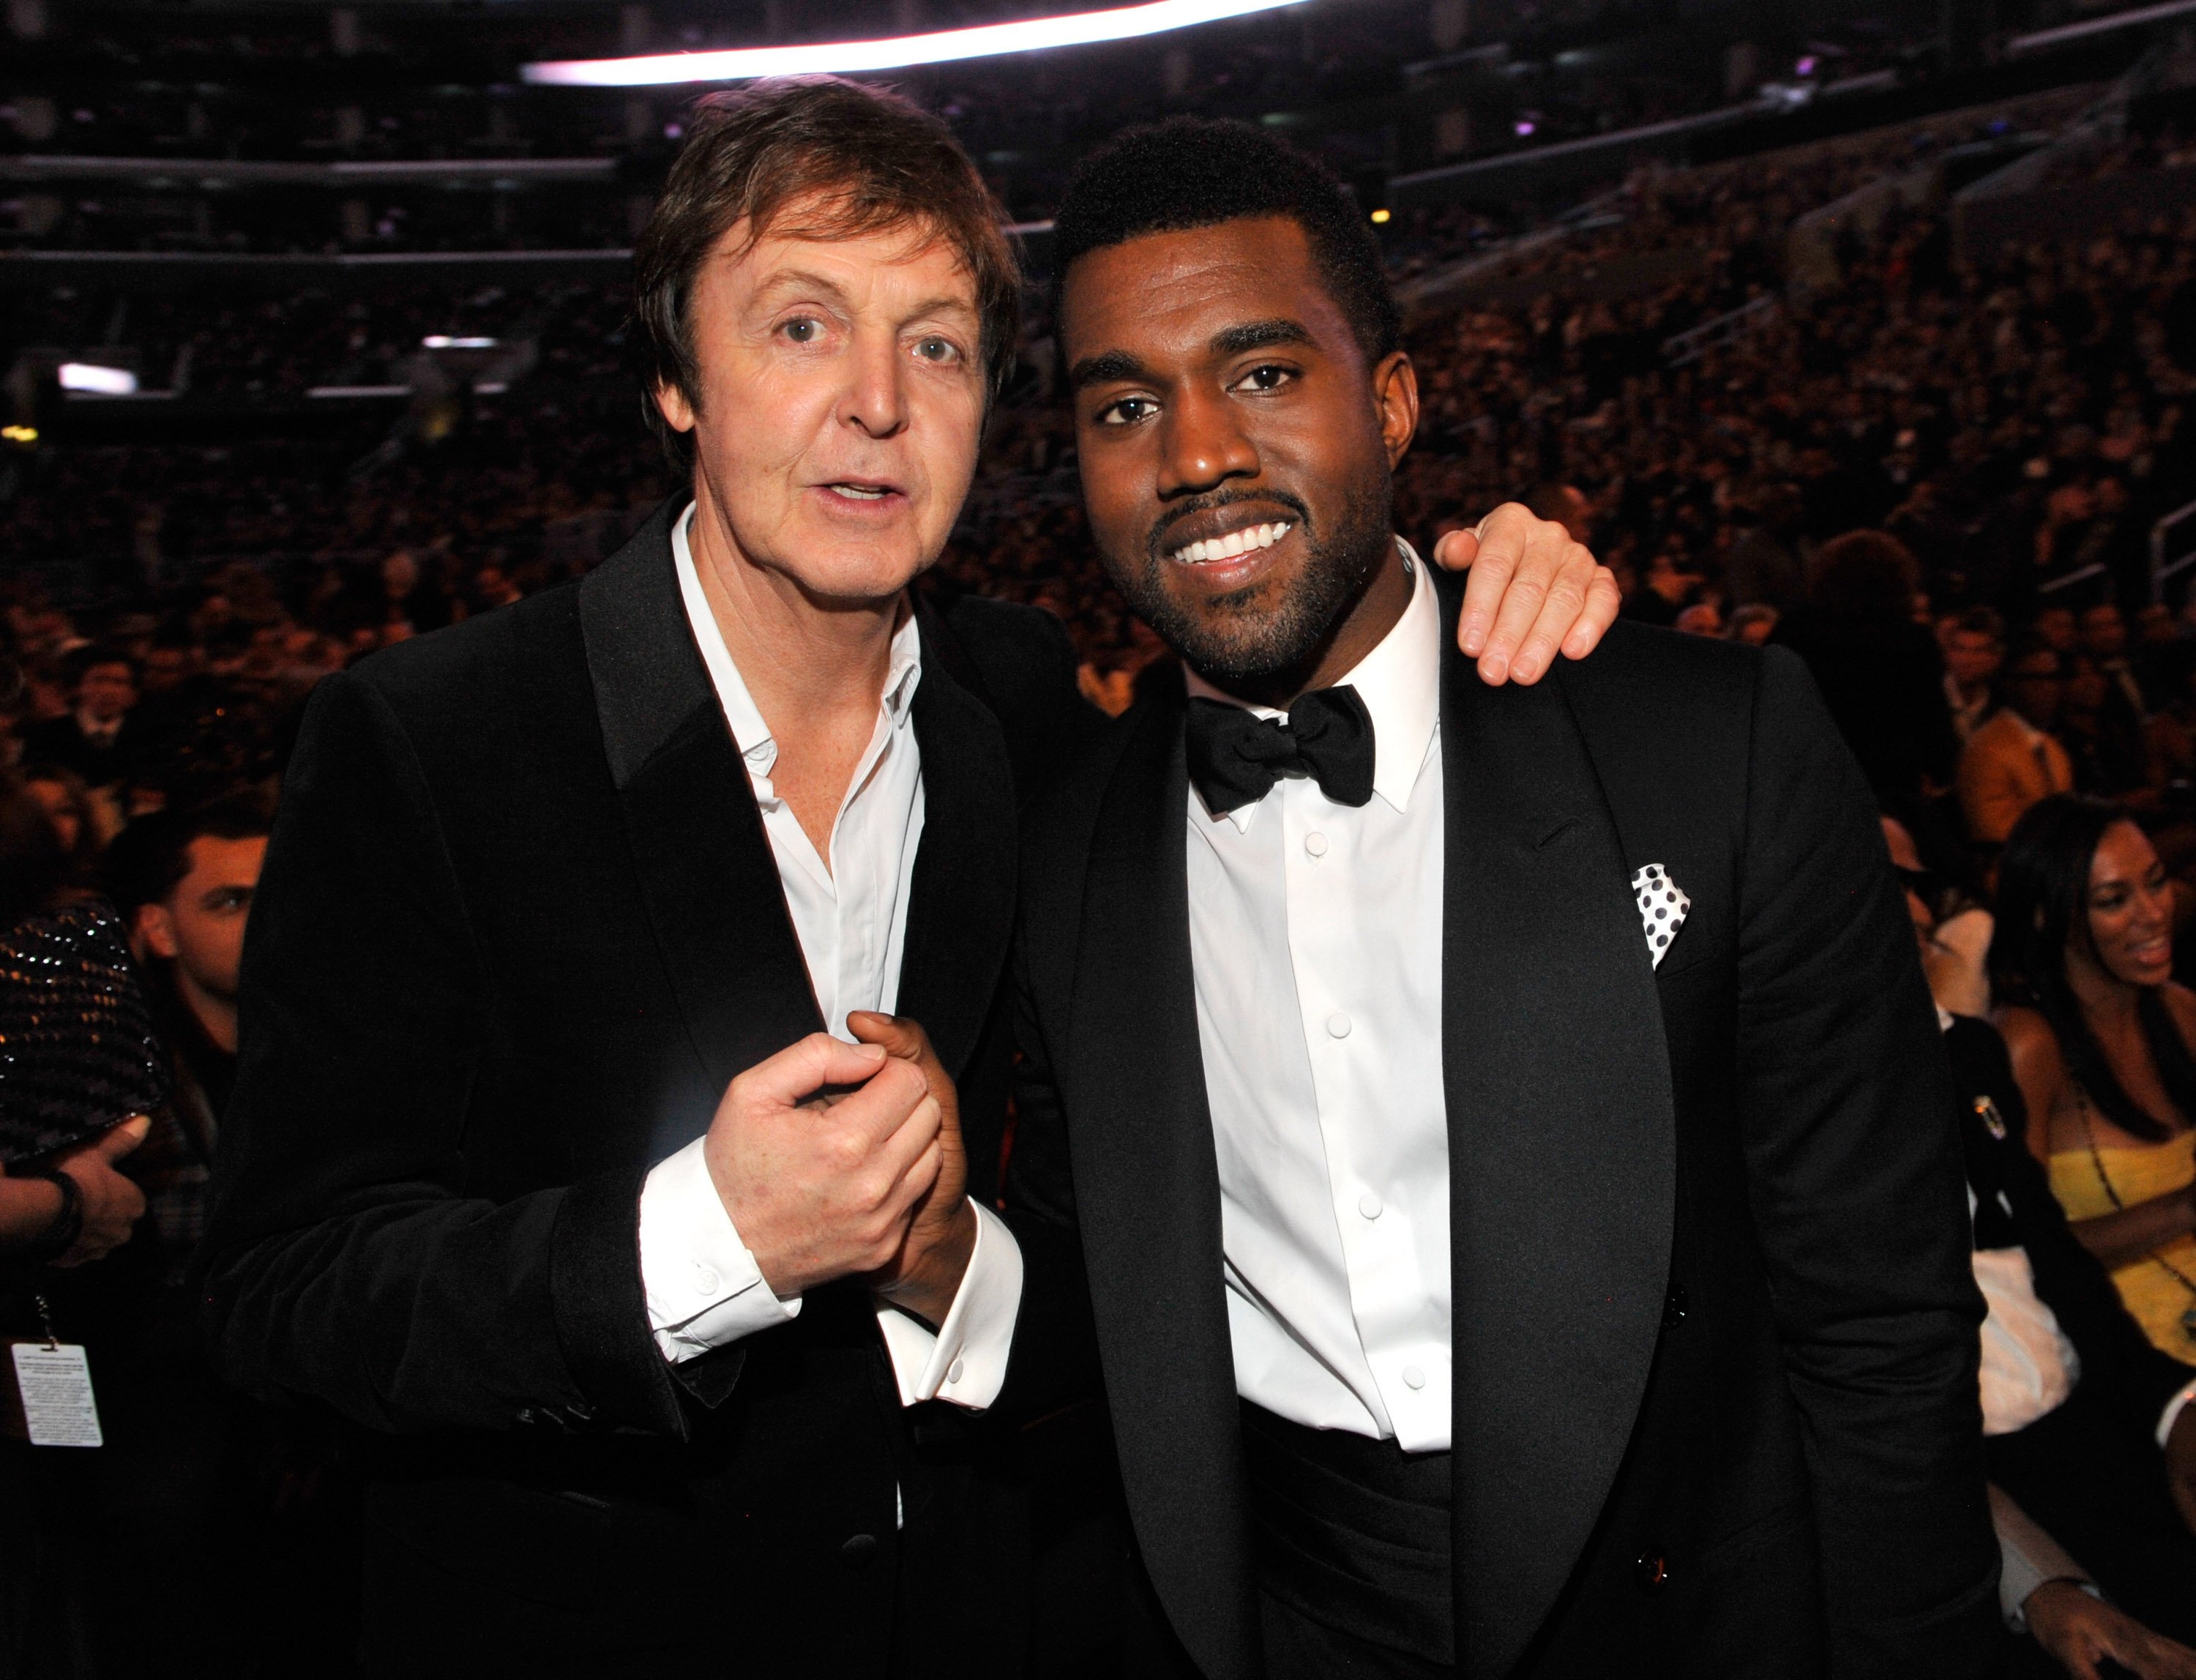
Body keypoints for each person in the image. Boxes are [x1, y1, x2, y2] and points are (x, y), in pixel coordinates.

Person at [196, 78, 1614, 1678]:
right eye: (802, 327)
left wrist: (1484, 588)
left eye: (936, 343)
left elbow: (1135, 1230)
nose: (878, 401)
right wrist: (701, 1241)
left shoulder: (1026, 705)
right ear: (678, 379)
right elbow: (280, 1291)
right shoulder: (432, 739)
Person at [901, 116, 2002, 1678]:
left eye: (1266, 372)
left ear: (1396, 400)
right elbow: (1110, 1299)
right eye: (1125, 404)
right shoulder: (1071, 848)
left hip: (1688, 1608)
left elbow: (1882, 1319)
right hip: (1285, 1614)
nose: (1199, 450)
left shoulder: (1709, 747)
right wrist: (941, 1255)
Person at [1900, 857, 2196, 1673]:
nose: (2148, 913)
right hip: (1965, 1491)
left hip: (2094, 1421)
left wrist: (2176, 1408)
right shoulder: (1784, 1111)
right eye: (2112, 896)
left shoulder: (1969, 1055)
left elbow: (2051, 1257)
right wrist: (2037, 1583)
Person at [1993, 796, 2196, 1366]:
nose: (2154, 913)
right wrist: (2180, 1211)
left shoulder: (2178, 1012)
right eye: (2114, 900)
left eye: (2156, 883)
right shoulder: (2029, 1046)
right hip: (2122, 1355)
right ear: (2045, 915)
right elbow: (2018, 1250)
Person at [1960, 640, 2077, 851]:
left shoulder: (2052, 748)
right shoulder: (1986, 750)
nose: (2046, 689)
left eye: (2052, 679)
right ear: (2009, 683)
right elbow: (1993, 834)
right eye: (2034, 679)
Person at [21, 646, 146, 791]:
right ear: (78, 687)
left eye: (118, 682)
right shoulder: (45, 735)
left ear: (134, 694)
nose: (107, 691)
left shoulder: (149, 737)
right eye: (98, 680)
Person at [1945, 607, 2005, 747]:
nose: (1966, 660)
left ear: (1994, 658)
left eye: (1978, 651)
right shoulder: (1923, 701)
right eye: (1960, 649)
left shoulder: (2002, 706)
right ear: (1947, 653)